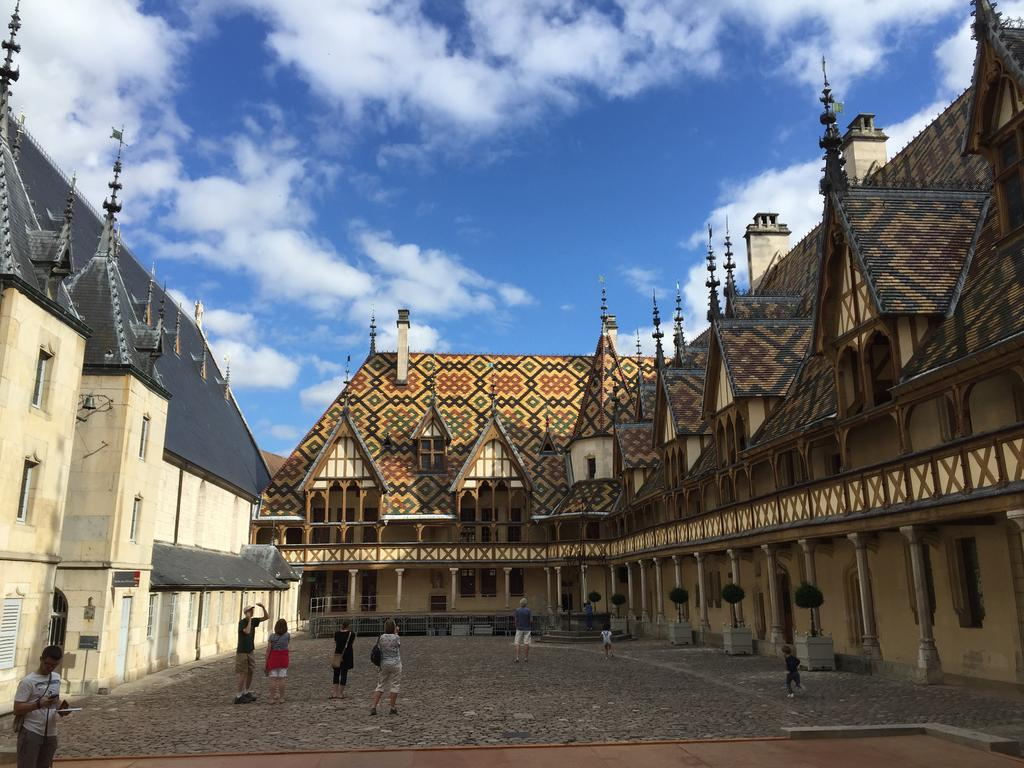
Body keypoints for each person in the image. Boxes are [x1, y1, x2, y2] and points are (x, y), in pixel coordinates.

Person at [13, 645, 71, 768]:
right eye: (47, 664)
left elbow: (55, 700)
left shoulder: (56, 678)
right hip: (31, 731)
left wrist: (62, 709)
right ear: (41, 659)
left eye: (53, 665)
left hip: (50, 732)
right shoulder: (28, 681)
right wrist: (38, 704)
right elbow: (17, 708)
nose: (49, 668)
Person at [235, 602, 267, 704]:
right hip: (242, 652)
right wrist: (248, 620)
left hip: (250, 651)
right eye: (250, 611)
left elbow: (266, 617)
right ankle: (239, 695)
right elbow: (247, 631)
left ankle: (246, 691)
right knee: (243, 673)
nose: (252, 612)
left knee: (250, 671)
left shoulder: (253, 621)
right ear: (246, 613)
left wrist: (263, 607)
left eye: (252, 610)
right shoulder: (242, 622)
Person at [370, 619, 401, 716]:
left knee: (380, 685)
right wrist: (396, 633)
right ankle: (392, 707)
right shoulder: (396, 637)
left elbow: (379, 647)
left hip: (384, 663)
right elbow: (398, 646)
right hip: (396, 663)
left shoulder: (381, 637)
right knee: (395, 685)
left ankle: (374, 707)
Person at [265, 618, 290, 704]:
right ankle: (282, 697)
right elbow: (287, 644)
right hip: (283, 658)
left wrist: (266, 660)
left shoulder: (272, 636)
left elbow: (268, 649)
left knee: (273, 679)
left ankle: (271, 698)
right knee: (282, 679)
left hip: (274, 658)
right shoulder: (287, 635)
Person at [331, 620, 355, 699]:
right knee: (344, 674)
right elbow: (351, 643)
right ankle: (340, 693)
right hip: (346, 655)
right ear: (348, 626)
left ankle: (334, 692)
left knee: (336, 673)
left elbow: (336, 642)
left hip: (338, 654)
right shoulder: (351, 634)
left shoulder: (337, 634)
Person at [513, 597, 532, 663]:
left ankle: (517, 657)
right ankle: (526, 658)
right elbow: (531, 620)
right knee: (526, 643)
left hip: (519, 628)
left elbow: (516, 620)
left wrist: (516, 625)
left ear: (520, 603)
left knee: (517, 643)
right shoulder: (529, 610)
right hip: (527, 629)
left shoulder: (517, 610)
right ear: (526, 603)